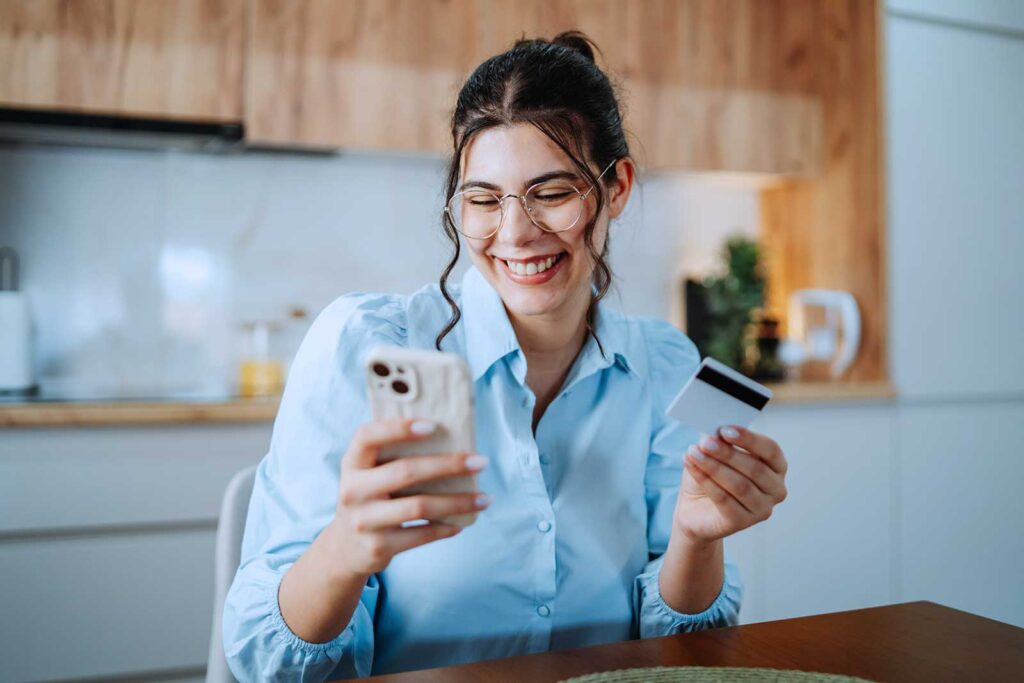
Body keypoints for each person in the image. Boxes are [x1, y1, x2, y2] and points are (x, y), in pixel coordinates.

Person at [222, 30, 789, 682]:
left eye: (551, 193)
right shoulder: (369, 345)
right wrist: (346, 548)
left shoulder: (661, 364)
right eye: (485, 199)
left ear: (618, 187)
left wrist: (697, 537)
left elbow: (684, 659)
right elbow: (262, 661)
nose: (515, 233)